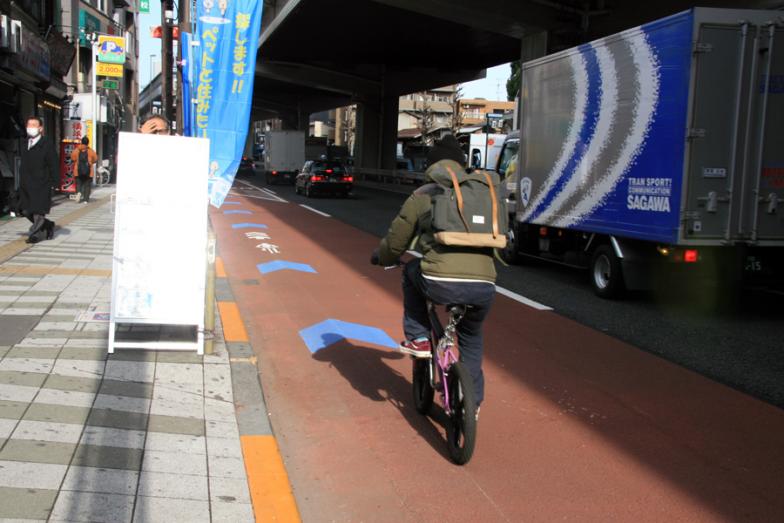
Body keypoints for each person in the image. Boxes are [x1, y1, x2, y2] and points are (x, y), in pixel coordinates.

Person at [371, 134, 496, 410]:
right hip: (485, 284)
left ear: (431, 165)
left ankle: (418, 339)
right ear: (462, 165)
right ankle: (472, 404)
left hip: (439, 280)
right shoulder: (481, 193)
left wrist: (383, 256)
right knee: (471, 337)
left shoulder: (425, 193)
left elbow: (397, 239)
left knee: (411, 272)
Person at [19, 116, 59, 243]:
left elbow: (54, 164)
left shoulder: (46, 144)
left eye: (33, 125)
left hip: (41, 183)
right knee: (24, 210)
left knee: (38, 211)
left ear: (40, 128)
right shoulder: (24, 142)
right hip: (26, 183)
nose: (30, 127)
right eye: (28, 125)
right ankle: (48, 225)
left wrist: (55, 183)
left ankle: (34, 234)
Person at [70, 136, 98, 203]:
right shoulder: (91, 151)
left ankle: (79, 193)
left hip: (78, 170)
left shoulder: (76, 150)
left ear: (81, 142)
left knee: (78, 184)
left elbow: (72, 158)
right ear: (88, 143)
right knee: (87, 185)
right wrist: (91, 162)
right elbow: (96, 159)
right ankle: (85, 199)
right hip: (88, 171)